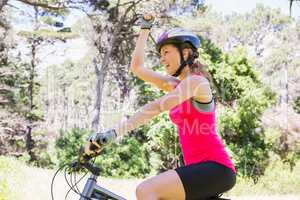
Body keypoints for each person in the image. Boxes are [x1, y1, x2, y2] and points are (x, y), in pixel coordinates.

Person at [84, 15, 236, 200]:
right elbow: (137, 68)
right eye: (160, 54)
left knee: (146, 190)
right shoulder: (176, 85)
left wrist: (114, 133)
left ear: (186, 53)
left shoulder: (197, 83)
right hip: (195, 168)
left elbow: (156, 107)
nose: (162, 59)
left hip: (216, 167)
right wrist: (144, 29)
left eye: (166, 52)